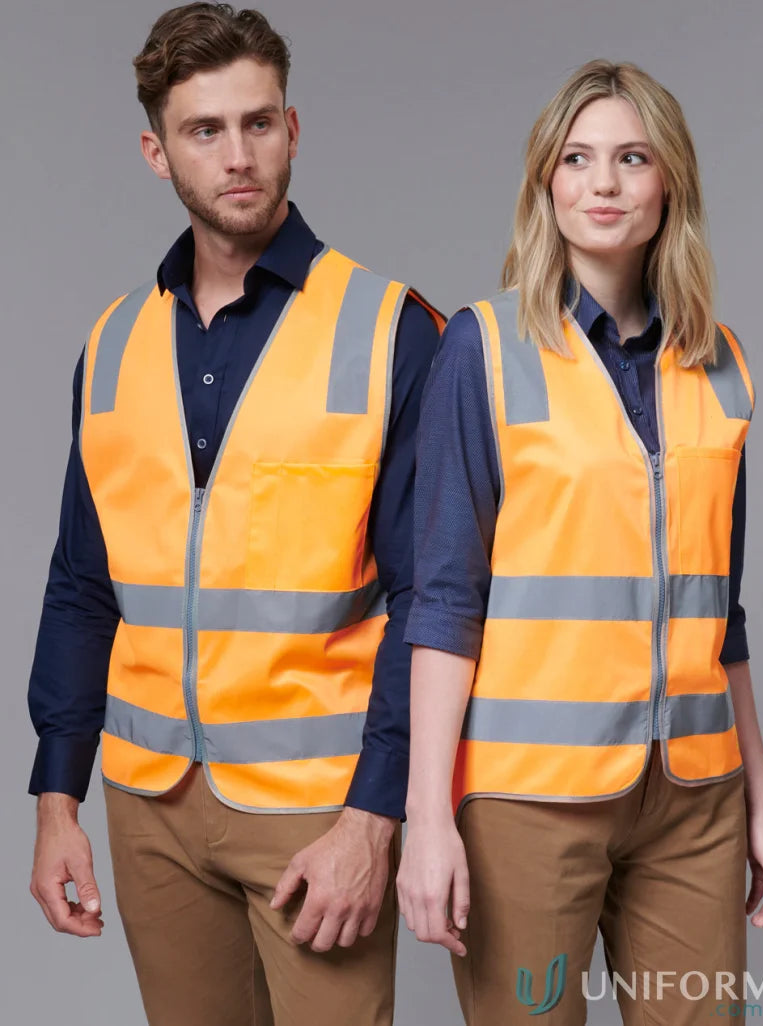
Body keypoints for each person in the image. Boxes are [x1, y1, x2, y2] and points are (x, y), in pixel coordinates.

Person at [27, 5, 443, 1025]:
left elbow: (430, 600)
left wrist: (372, 820)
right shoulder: (111, 344)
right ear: (155, 151)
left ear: (292, 129)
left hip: (316, 809)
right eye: (204, 131)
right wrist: (56, 801)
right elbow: (83, 583)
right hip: (149, 811)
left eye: (258, 123)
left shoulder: (390, 330)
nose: (238, 154)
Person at [397, 59, 763, 1026]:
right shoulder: (482, 348)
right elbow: (444, 601)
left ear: (670, 185)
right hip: (529, 802)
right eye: (576, 159)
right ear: (547, 183)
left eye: (630, 157)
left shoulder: (721, 364)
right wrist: (425, 818)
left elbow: (720, 614)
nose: (604, 183)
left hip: (694, 803)